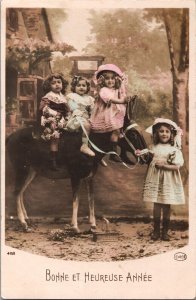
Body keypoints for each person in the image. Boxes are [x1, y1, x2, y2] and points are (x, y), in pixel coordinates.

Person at [136, 118, 185, 241]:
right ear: (156, 133)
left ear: (171, 134)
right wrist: (140, 153)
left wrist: (164, 166)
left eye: (167, 131)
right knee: (156, 205)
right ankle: (156, 231)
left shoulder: (174, 149)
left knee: (166, 205)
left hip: (168, 179)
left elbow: (177, 166)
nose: (164, 134)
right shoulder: (153, 147)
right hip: (155, 178)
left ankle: (165, 233)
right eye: (161, 131)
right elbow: (146, 156)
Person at [90, 64, 128, 162]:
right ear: (102, 81)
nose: (110, 81)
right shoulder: (103, 90)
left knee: (118, 129)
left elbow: (123, 91)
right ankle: (113, 151)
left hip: (114, 112)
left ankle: (115, 149)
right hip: (105, 113)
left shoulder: (115, 89)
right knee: (115, 128)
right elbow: (109, 99)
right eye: (107, 79)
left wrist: (122, 82)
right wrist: (122, 101)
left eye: (112, 78)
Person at [39, 73, 70, 170]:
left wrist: (68, 116)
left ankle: (64, 158)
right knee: (55, 139)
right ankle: (53, 162)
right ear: (49, 86)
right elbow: (43, 109)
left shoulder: (63, 97)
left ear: (62, 84)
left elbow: (67, 110)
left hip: (62, 120)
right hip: (51, 120)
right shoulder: (48, 96)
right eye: (53, 83)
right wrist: (57, 114)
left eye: (59, 82)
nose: (57, 85)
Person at [66, 76, 95, 156]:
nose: (81, 87)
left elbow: (92, 110)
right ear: (74, 87)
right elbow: (72, 107)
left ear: (87, 87)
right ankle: (84, 145)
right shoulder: (72, 96)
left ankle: (97, 154)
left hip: (86, 117)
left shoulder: (89, 98)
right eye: (78, 85)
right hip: (76, 117)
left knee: (95, 126)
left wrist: (92, 111)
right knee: (86, 125)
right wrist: (82, 113)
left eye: (83, 85)